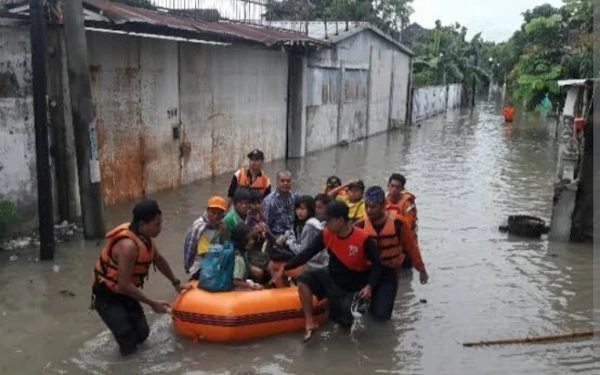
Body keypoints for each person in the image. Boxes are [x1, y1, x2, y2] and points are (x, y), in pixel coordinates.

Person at [276, 201, 382, 342]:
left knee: (344, 328)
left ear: (340, 220)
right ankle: (310, 322)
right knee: (304, 278)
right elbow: (308, 252)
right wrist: (286, 267)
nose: (325, 224)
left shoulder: (363, 239)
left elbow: (378, 265)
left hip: (352, 286)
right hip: (331, 277)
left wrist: (369, 286)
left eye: (328, 221)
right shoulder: (327, 233)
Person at [91, 200, 186, 356]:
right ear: (143, 224)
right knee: (127, 340)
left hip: (126, 294)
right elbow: (123, 284)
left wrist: (176, 283)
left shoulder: (145, 240)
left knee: (142, 334)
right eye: (157, 224)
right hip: (107, 295)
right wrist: (152, 303)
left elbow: (159, 260)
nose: (160, 228)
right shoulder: (128, 247)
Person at [355, 186, 429, 321]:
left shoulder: (398, 223)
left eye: (373, 207)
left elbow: (411, 247)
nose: (369, 210)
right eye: (367, 206)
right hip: (367, 273)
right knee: (362, 313)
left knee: (382, 316)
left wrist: (421, 269)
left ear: (383, 205)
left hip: (389, 273)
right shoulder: (360, 225)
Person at [270, 195, 329, 286]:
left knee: (273, 266)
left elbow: (303, 252)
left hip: (314, 264)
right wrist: (286, 237)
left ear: (310, 210)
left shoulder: (310, 226)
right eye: (297, 209)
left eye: (302, 209)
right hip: (311, 262)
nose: (299, 212)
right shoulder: (300, 223)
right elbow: (292, 234)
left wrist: (288, 242)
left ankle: (285, 293)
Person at [183, 196, 228, 278]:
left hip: (211, 261)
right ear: (207, 211)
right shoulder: (202, 228)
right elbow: (205, 254)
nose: (215, 216)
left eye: (219, 214)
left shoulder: (218, 225)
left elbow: (224, 242)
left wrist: (224, 233)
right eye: (213, 213)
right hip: (199, 266)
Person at [261, 171, 298, 236]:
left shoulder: (295, 197)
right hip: (276, 236)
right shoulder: (269, 201)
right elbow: (265, 225)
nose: (285, 183)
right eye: (282, 181)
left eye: (288, 181)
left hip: (293, 235)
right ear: (277, 182)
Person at [230, 223, 266, 291]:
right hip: (234, 287)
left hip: (237, 282)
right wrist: (252, 287)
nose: (252, 242)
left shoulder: (237, 250)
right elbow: (236, 282)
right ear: (243, 241)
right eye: (250, 239)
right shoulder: (239, 258)